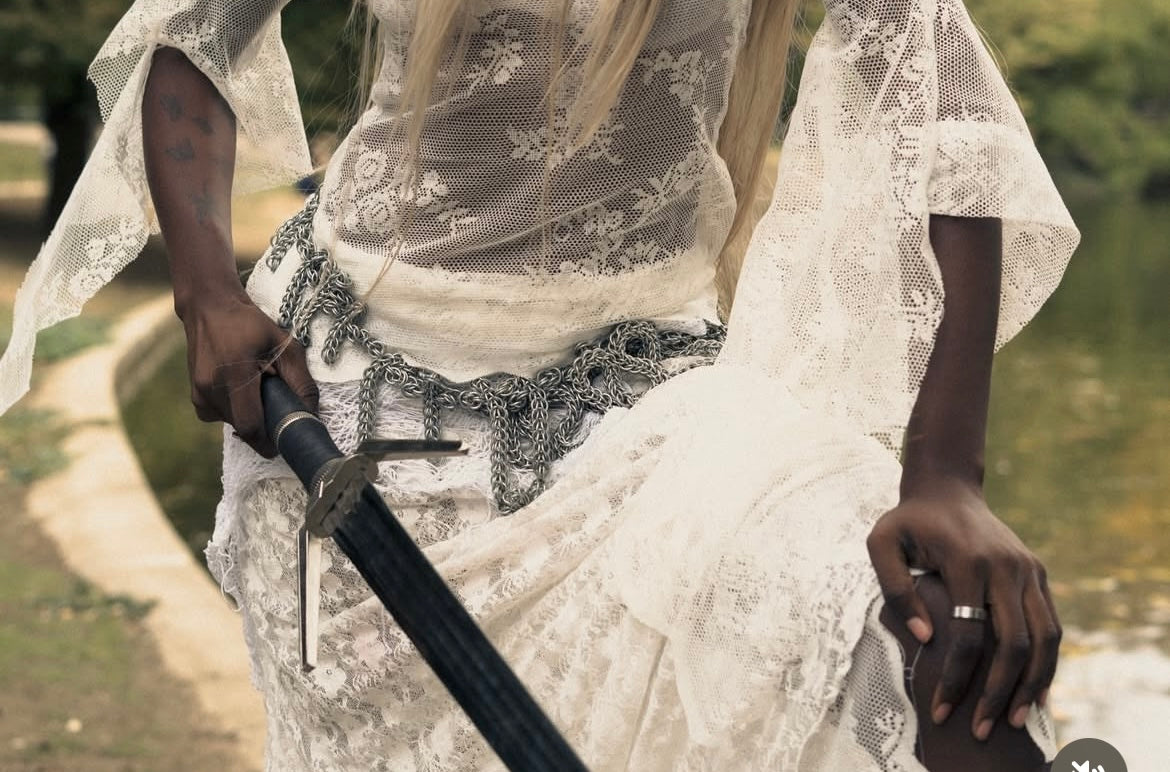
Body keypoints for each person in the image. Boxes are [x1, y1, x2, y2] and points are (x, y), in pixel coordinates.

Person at [0, 0, 1080, 769]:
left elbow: (945, 109)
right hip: (348, 404)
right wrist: (206, 291)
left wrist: (946, 474)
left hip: (653, 396)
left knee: (934, 643)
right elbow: (196, 31)